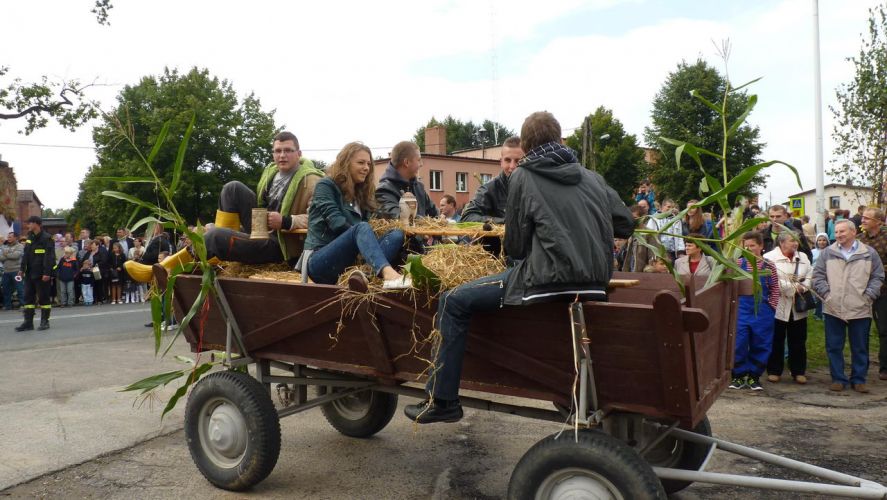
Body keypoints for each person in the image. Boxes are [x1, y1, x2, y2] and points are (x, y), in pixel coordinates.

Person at [404, 111, 634, 424]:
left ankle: (443, 400)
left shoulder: (524, 176)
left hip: (545, 280)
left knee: (453, 299)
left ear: (525, 147)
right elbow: (625, 224)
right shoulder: (592, 177)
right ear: (558, 140)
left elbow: (515, 246)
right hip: (596, 281)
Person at [205, 131, 324, 264]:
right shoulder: (270, 174)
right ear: (273, 154)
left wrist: (285, 221)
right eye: (278, 151)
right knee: (232, 188)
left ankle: (202, 257)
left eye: (288, 150)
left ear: (299, 154)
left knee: (215, 237)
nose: (282, 155)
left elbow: (319, 219)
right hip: (261, 230)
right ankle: (227, 240)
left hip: (282, 244)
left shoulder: (314, 181)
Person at [304, 142, 409, 288]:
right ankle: (388, 275)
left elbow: (372, 226)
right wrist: (364, 238)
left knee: (396, 234)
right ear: (345, 163)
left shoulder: (362, 194)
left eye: (368, 164)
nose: (366, 168)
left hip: (351, 262)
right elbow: (337, 223)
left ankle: (364, 275)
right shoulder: (326, 186)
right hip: (321, 260)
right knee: (362, 227)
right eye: (361, 163)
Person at [813, 219, 884, 393]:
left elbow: (878, 277)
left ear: (853, 232)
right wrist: (827, 295)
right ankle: (838, 379)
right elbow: (818, 276)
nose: (838, 235)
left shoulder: (868, 253)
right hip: (833, 308)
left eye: (842, 232)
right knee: (834, 345)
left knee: (860, 346)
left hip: (860, 308)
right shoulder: (827, 253)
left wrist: (868, 296)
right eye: (836, 232)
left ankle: (859, 380)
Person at [730, 231, 780, 391]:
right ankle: (738, 375)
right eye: (746, 246)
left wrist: (771, 308)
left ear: (761, 246)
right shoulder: (738, 264)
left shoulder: (768, 265)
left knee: (762, 343)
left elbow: (775, 288)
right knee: (739, 343)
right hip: (742, 310)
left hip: (763, 311)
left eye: (752, 246)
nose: (749, 249)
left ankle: (754, 376)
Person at [764, 231, 813, 384]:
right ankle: (774, 370)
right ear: (782, 242)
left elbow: (810, 275)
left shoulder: (803, 257)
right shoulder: (769, 258)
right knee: (776, 339)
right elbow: (771, 280)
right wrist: (792, 288)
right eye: (792, 240)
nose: (795, 243)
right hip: (777, 305)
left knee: (798, 339)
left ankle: (798, 371)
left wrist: (803, 288)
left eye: (797, 240)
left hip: (798, 306)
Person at [460, 136, 524, 223]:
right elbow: (467, 217)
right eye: (508, 160)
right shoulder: (489, 189)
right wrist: (503, 222)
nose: (512, 166)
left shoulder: (535, 187)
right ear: (501, 162)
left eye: (518, 161)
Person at [857, 207, 887, 381]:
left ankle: (884, 367)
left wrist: (873, 270)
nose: (863, 221)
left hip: (883, 291)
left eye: (867, 218)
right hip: (860, 291)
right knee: (860, 330)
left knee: (884, 330)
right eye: (862, 217)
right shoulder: (859, 240)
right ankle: (861, 367)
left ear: (879, 221)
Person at [375, 141, 438, 220]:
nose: (421, 164)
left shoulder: (419, 187)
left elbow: (435, 214)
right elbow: (398, 219)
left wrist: (442, 220)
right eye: (418, 160)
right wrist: (425, 221)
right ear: (406, 162)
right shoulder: (384, 190)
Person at [15, 216, 55, 332]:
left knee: (43, 298)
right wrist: (22, 269)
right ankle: (28, 322)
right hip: (29, 274)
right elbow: (26, 255)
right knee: (28, 298)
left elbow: (49, 257)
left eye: (30, 223)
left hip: (41, 274)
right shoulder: (30, 237)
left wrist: (47, 273)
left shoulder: (47, 238)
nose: (28, 225)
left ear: (36, 224)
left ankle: (44, 321)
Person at [0, 231, 24, 310]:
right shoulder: (4, 246)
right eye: (8, 237)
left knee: (19, 288)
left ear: (15, 238)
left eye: (10, 237)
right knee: (6, 289)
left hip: (16, 271)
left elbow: (16, 256)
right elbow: (1, 258)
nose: (8, 238)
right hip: (6, 271)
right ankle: (7, 305)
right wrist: (9, 254)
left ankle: (22, 304)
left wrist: (6, 254)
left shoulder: (20, 246)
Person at [811, 232, 830, 320]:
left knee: (825, 293)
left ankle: (825, 313)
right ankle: (817, 313)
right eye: (819, 240)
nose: (821, 242)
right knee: (816, 295)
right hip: (815, 275)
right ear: (816, 241)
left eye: (824, 240)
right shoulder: (813, 252)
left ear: (827, 241)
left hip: (827, 276)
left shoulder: (830, 251)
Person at [85, 239, 109, 305]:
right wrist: (86, 264)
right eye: (91, 245)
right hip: (89, 271)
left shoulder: (101, 252)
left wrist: (95, 265)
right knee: (92, 285)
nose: (91, 246)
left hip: (97, 271)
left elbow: (103, 261)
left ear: (97, 246)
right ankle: (93, 299)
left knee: (99, 285)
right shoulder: (89, 252)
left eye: (93, 245)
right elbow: (84, 260)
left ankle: (100, 299)